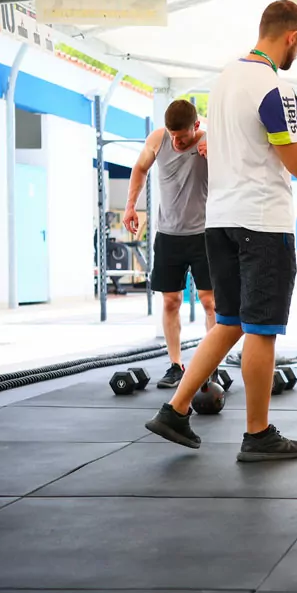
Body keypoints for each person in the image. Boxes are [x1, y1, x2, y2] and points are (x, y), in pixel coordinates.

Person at [144, 0, 297, 462]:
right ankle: (257, 434)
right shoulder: (274, 87)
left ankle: (175, 409)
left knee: (229, 322)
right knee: (261, 330)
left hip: (221, 221)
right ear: (291, 36)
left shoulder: (224, 79)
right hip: (261, 222)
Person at [123, 100, 215, 389]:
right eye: (173, 135)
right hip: (168, 234)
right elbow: (140, 169)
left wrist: (214, 155)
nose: (177, 141)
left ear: (196, 127)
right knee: (171, 301)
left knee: (211, 303)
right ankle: (176, 364)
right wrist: (130, 206)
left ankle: (209, 366)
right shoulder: (158, 139)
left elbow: (236, 172)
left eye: (183, 137)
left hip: (203, 234)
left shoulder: (210, 140)